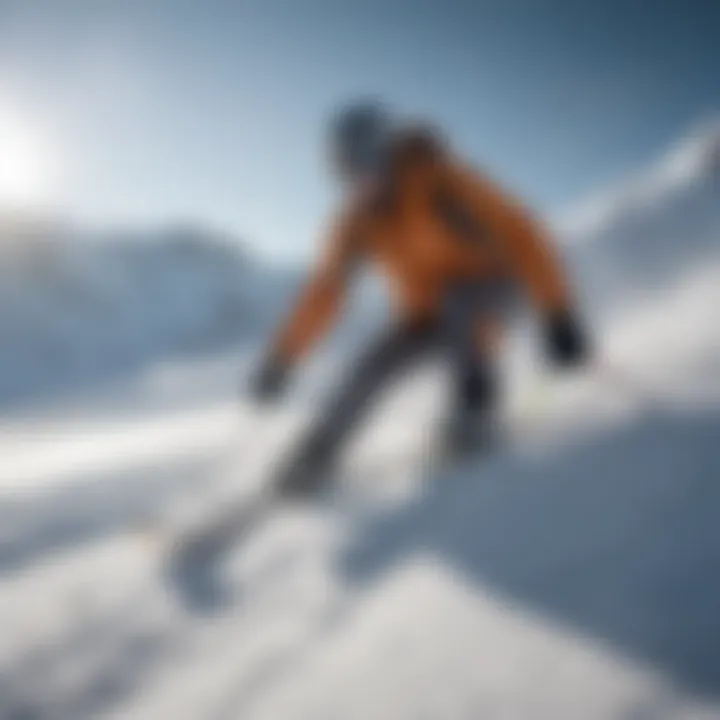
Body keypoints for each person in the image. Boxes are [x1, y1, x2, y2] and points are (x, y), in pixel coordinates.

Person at [250, 100, 589, 496]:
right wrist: (283, 357)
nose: (360, 181)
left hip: (491, 286)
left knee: (461, 305)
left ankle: (474, 409)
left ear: (386, 154)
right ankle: (318, 453)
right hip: (425, 313)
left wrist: (558, 314)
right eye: (347, 171)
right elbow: (325, 292)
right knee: (370, 366)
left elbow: (522, 233)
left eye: (366, 164)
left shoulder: (442, 180)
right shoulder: (355, 222)